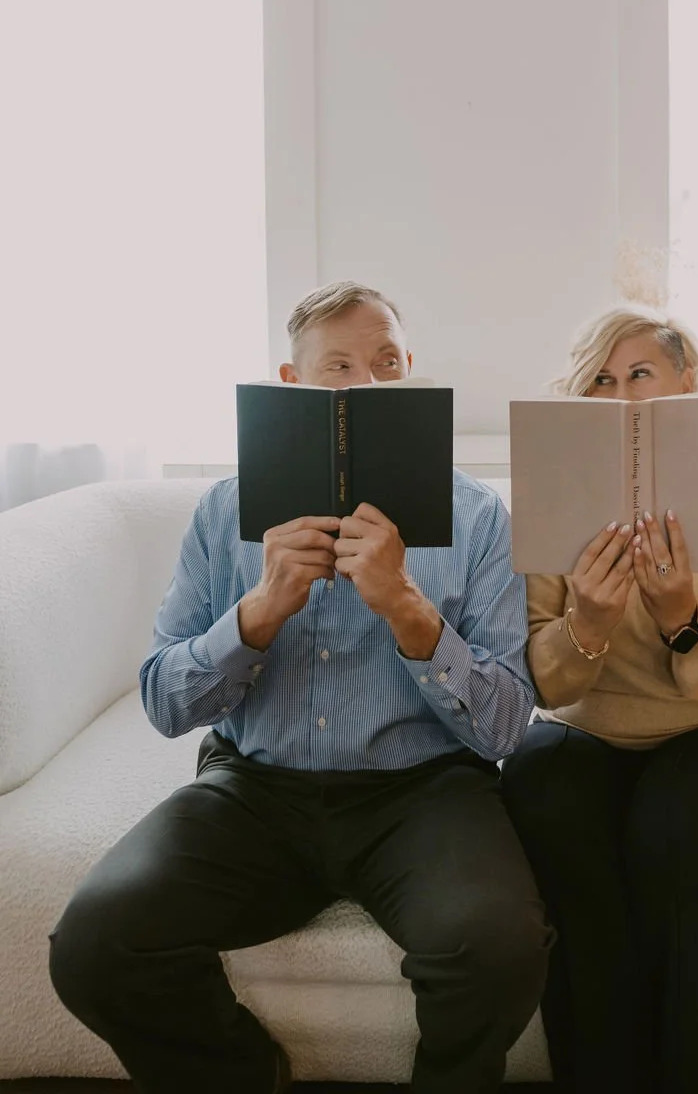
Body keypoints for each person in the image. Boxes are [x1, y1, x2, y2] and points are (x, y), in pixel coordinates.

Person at [49, 282, 551, 1094]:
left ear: (410, 374)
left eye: (387, 362)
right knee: (94, 944)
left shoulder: (479, 516)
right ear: (293, 385)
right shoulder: (225, 511)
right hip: (253, 790)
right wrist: (257, 612)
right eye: (341, 367)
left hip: (422, 791)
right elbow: (164, 702)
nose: (369, 382)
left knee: (498, 947)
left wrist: (407, 608)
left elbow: (502, 730)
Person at [501, 306, 698, 1094]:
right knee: (536, 785)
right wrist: (591, 623)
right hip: (588, 734)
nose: (623, 393)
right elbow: (543, 678)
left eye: (640, 373)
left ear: (686, 384)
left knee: (687, 825)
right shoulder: (547, 498)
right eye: (602, 379)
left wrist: (684, 621)